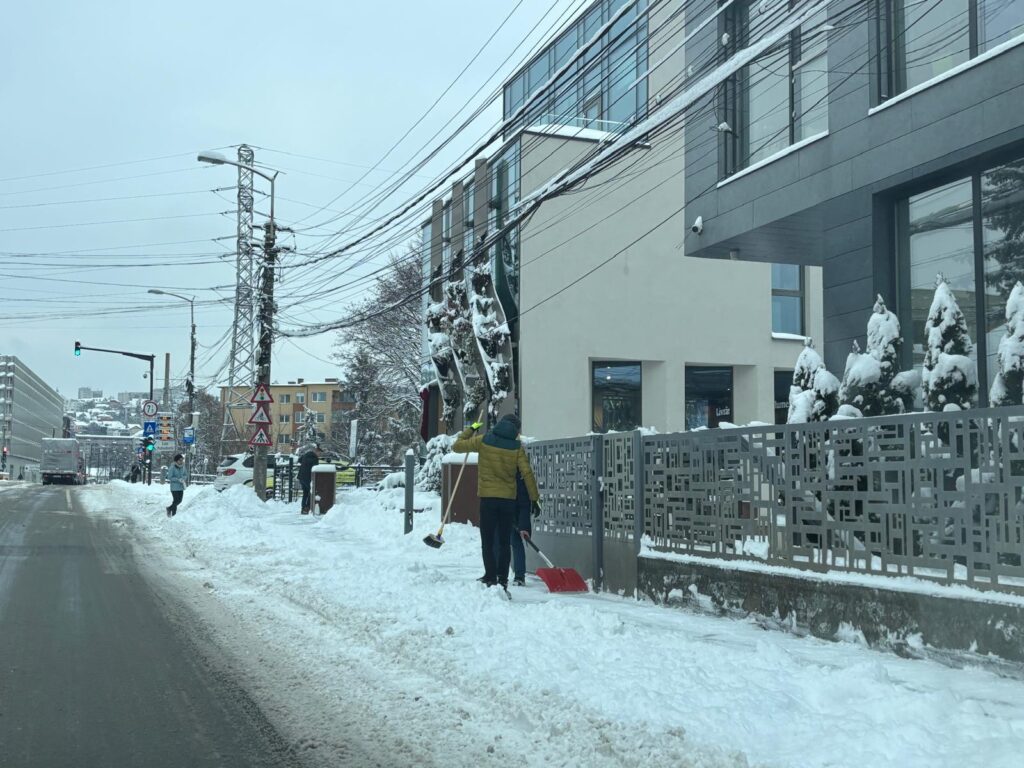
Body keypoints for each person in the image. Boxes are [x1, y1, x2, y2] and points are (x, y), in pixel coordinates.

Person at [453, 414, 540, 590]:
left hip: (488, 499)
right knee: (504, 542)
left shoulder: (484, 440)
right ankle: (502, 578)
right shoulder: (516, 447)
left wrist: (473, 428)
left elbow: (456, 446)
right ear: (516, 430)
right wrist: (535, 498)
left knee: (488, 539)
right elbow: (527, 473)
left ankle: (490, 576)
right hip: (508, 500)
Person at [297, 444, 322, 514]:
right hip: (308, 478)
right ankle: (307, 508)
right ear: (316, 452)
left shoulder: (305, 455)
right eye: (319, 453)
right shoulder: (315, 458)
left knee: (305, 493)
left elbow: (299, 460)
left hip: (301, 477)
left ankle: (303, 508)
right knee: (311, 493)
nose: (319, 455)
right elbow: (315, 468)